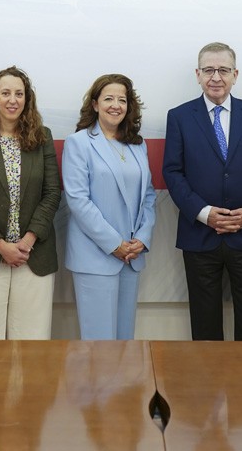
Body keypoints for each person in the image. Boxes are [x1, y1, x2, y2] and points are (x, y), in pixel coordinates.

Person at [162, 42, 242, 341]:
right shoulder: (179, 116)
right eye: (209, 70)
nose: (216, 77)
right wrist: (204, 214)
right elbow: (173, 172)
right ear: (198, 74)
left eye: (223, 70)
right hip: (200, 235)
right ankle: (206, 387)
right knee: (204, 322)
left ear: (235, 74)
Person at [0, 66, 61, 340]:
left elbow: (52, 193)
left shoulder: (43, 139)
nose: (12, 100)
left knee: (32, 344)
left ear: (27, 99)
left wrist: (27, 241)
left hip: (33, 256)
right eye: (5, 93)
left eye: (19, 93)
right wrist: (0, 245)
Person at [62, 74, 156, 340]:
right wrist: (115, 243)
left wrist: (141, 239)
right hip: (96, 256)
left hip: (131, 257)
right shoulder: (78, 143)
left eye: (122, 100)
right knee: (99, 344)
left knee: (124, 341)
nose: (116, 105)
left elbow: (148, 196)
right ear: (94, 104)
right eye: (109, 99)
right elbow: (79, 201)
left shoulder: (138, 145)